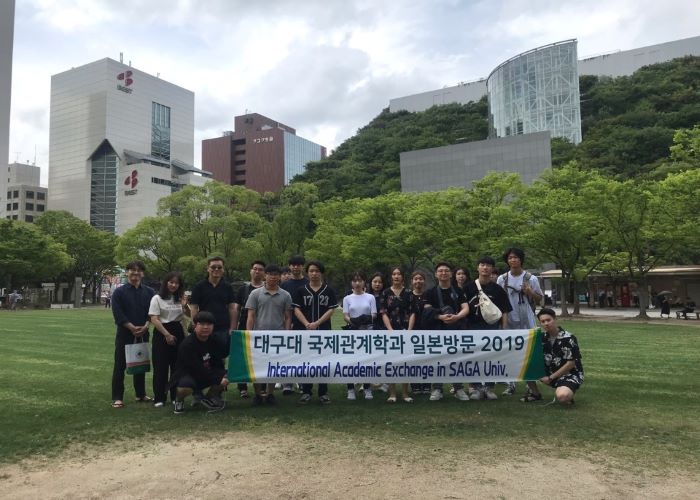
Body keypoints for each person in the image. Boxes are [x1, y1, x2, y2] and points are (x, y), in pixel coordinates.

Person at [463, 256, 512, 401]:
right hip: (472, 327)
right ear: (477, 268)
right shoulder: (468, 288)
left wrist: (504, 330)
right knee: (474, 358)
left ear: (492, 269)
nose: (485, 268)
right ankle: (476, 387)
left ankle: (489, 387)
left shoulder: (498, 290)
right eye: (482, 265)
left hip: (492, 328)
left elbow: (505, 311)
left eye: (488, 265)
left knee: (492, 357)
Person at [496, 247, 543, 397]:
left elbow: (540, 299)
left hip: (526, 316)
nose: (513, 260)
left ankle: (530, 384)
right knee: (509, 351)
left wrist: (530, 292)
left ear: (521, 259)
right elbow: (498, 299)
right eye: (510, 258)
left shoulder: (531, 278)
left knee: (529, 352)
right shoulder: (502, 279)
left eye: (516, 257)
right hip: (508, 316)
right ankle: (511, 384)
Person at [110, 260, 155, 408]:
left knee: (140, 364)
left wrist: (146, 325)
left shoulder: (149, 292)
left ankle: (140, 394)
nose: (136, 273)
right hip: (125, 333)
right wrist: (131, 327)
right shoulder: (119, 292)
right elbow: (118, 313)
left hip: (144, 332)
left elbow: (153, 312)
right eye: (132, 270)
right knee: (120, 365)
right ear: (126, 272)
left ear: (143, 273)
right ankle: (117, 397)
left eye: (139, 270)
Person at [245, 264, 293, 405]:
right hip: (258, 336)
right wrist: (249, 333)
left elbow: (288, 317)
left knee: (274, 366)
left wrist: (287, 333)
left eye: (276, 274)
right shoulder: (255, 294)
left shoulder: (285, 295)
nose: (273, 277)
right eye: (270, 274)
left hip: (277, 336)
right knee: (257, 366)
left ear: (279, 277)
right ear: (265, 275)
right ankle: (258, 394)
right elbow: (250, 316)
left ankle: (270, 393)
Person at [292, 261, 338, 404]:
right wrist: (306, 323)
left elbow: (331, 309)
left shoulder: (328, 290)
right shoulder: (301, 290)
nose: (314, 273)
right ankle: (306, 391)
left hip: (323, 331)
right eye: (311, 271)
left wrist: (317, 323)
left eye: (317, 271)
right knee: (306, 361)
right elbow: (296, 309)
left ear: (321, 273)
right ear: (307, 273)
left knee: (323, 362)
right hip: (305, 331)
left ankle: (323, 392)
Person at [424, 262, 470, 402]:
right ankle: (437, 388)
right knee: (437, 360)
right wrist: (440, 317)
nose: (443, 273)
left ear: (451, 274)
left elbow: (465, 308)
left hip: (456, 329)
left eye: (446, 271)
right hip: (437, 330)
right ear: (436, 274)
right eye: (440, 271)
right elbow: (427, 310)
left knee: (457, 359)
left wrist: (457, 317)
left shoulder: (458, 291)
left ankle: (458, 388)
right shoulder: (430, 292)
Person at [172, 312, 228, 414]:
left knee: (229, 376)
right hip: (188, 374)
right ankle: (179, 400)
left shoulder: (215, 340)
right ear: (195, 326)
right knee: (185, 388)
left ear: (213, 326)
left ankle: (209, 397)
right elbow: (195, 368)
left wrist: (222, 376)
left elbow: (218, 361)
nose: (205, 327)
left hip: (207, 372)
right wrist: (217, 378)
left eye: (209, 324)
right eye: (201, 324)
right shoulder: (187, 344)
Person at [525, 308, 584, 405]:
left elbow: (571, 364)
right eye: (543, 321)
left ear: (555, 319)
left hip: (569, 374)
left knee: (562, 396)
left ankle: (566, 391)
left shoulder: (568, 338)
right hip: (549, 372)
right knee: (525, 365)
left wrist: (550, 378)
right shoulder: (540, 338)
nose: (546, 323)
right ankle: (535, 394)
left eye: (548, 320)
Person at [149, 271, 189, 408]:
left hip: (178, 331)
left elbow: (188, 315)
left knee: (177, 366)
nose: (173, 285)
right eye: (171, 282)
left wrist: (184, 305)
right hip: (162, 332)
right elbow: (154, 319)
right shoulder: (157, 298)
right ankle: (159, 397)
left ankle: (175, 396)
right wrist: (167, 334)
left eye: (176, 283)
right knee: (160, 366)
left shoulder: (180, 298)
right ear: (166, 283)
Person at [189, 257, 237, 359]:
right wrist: (195, 325)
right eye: (213, 267)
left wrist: (232, 328)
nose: (216, 269)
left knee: (220, 357)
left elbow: (232, 308)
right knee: (204, 357)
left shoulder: (227, 287)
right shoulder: (199, 286)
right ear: (208, 268)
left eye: (219, 267)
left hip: (223, 328)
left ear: (223, 269)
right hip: (204, 327)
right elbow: (194, 308)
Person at [233, 260, 266, 399]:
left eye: (260, 269)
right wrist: (233, 327)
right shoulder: (243, 289)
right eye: (255, 269)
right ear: (251, 271)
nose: (257, 271)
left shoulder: (268, 288)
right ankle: (242, 387)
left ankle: (263, 386)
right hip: (244, 325)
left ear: (264, 273)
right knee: (243, 357)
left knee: (262, 358)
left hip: (263, 326)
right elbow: (236, 309)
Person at [380, 267, 413, 403]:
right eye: (394, 274)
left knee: (406, 363)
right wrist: (390, 329)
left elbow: (412, 312)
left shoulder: (409, 293)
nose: (396, 276)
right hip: (390, 331)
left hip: (406, 331)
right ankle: (392, 393)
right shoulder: (385, 293)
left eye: (399, 274)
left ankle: (405, 393)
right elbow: (383, 312)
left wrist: (409, 330)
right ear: (391, 277)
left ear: (403, 277)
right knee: (391, 362)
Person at [342, 271, 376, 401]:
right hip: (353, 331)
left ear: (364, 282)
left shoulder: (370, 297)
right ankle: (350, 389)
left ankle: (367, 387)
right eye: (355, 280)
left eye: (360, 280)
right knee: (350, 361)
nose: (357, 283)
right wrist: (352, 321)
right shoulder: (347, 298)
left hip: (367, 332)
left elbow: (374, 314)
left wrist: (365, 319)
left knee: (367, 361)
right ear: (351, 283)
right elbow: (345, 315)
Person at [281, 255, 310, 394]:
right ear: (290, 266)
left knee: (303, 354)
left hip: (305, 323)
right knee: (288, 353)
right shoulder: (284, 285)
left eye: (298, 265)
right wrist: (287, 322)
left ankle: (303, 382)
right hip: (288, 323)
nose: (295, 267)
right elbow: (282, 305)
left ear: (302, 266)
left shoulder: (308, 283)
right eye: (293, 265)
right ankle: (287, 383)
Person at [408, 270, 431, 395]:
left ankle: (426, 384)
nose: (418, 281)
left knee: (427, 359)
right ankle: (415, 385)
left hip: (427, 331)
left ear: (424, 281)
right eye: (415, 279)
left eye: (420, 278)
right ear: (412, 281)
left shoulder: (429, 295)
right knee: (413, 360)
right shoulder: (407, 296)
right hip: (412, 331)